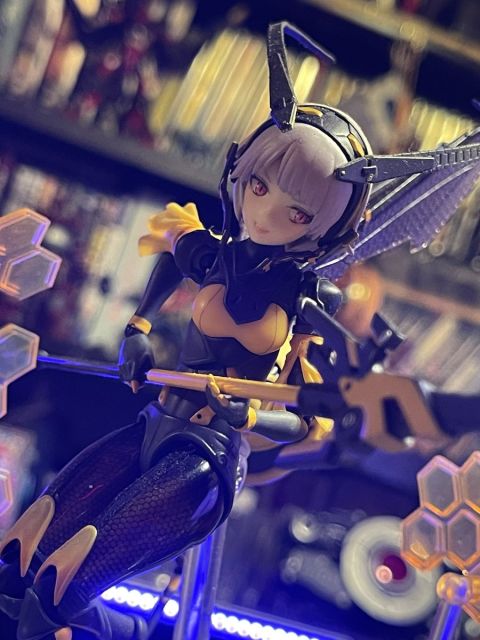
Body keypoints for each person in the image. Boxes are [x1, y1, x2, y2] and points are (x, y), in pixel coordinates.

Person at [1, 22, 479, 640]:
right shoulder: (218, 252)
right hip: (154, 422)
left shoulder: (307, 300)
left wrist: (249, 416)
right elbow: (174, 257)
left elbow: (307, 417)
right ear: (240, 172)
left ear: (330, 225)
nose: (267, 214)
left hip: (206, 458)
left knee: (63, 586)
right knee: (22, 553)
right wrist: (139, 328)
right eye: (259, 186)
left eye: (297, 211)